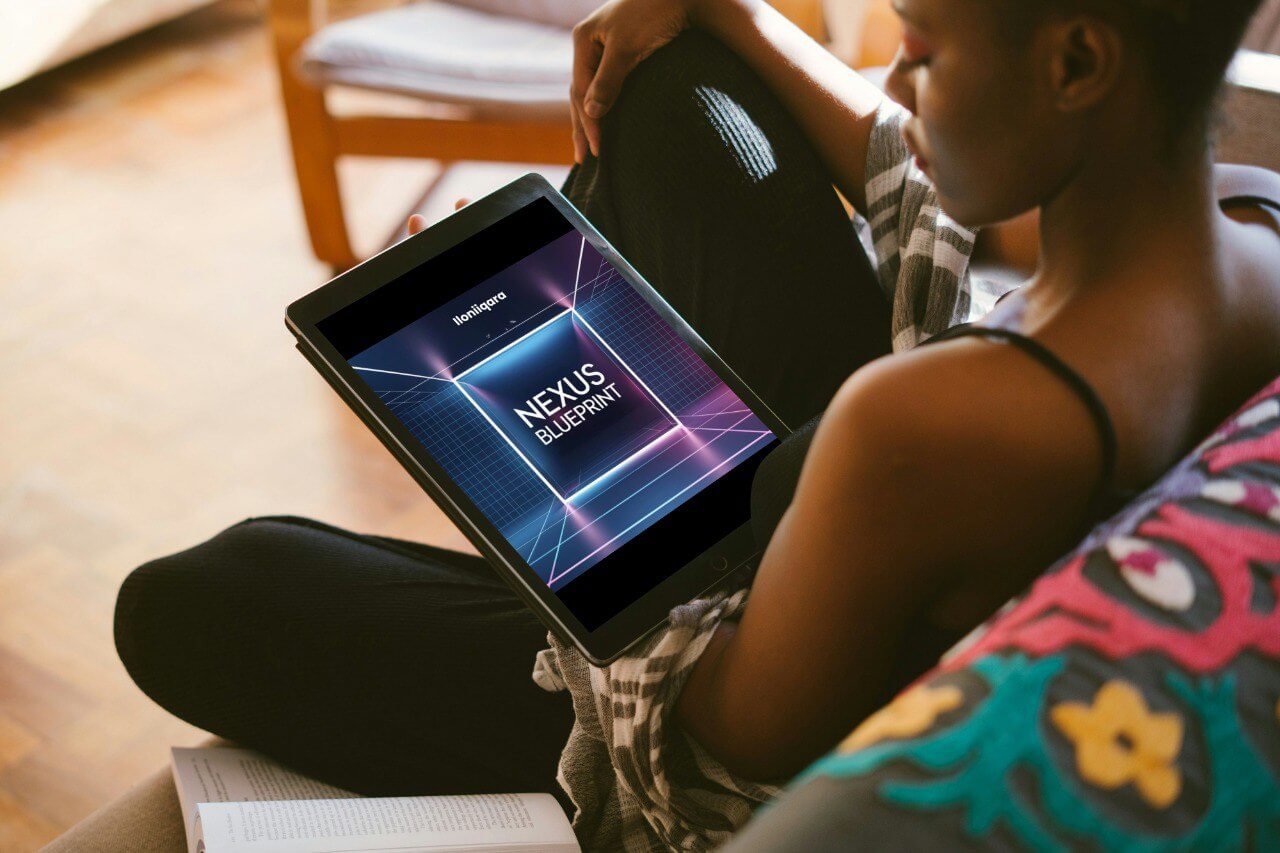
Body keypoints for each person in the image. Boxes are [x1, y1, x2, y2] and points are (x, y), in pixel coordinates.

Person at [115, 0, 1280, 849]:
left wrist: (557, 425)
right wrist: (726, 8)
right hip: (869, 535)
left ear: (1075, 62)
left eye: (921, 49)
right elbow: (930, 197)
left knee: (206, 593)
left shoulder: (926, 424)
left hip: (754, 647)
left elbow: (710, 760)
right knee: (675, 84)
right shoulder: (1250, 223)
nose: (898, 77)